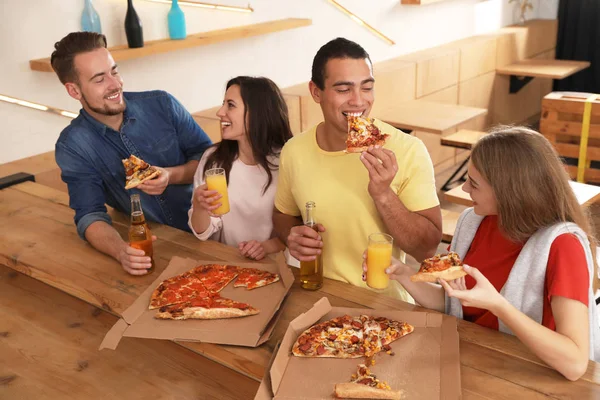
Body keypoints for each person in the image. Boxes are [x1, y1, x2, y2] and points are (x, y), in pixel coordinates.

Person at [363, 126, 600, 380]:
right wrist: (403, 273)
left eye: (473, 184)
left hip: (531, 375)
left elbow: (575, 364)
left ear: (510, 193)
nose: (464, 190)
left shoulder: (563, 245)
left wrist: (498, 305)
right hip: (473, 360)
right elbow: (452, 302)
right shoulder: (474, 221)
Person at [272, 37, 442, 301]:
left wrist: (384, 194)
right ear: (316, 92)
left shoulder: (408, 149)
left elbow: (427, 249)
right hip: (315, 294)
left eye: (367, 87)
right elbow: (283, 215)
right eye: (343, 89)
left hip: (385, 304)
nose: (358, 101)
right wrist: (290, 235)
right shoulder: (294, 150)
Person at [51, 32, 212, 275]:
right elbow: (90, 215)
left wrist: (171, 175)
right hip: (159, 246)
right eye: (99, 79)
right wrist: (120, 250)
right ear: (74, 91)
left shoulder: (162, 104)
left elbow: (210, 160)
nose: (115, 84)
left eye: (114, 71)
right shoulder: (73, 145)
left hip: (214, 229)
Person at [188, 76, 291, 260]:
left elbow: (301, 225)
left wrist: (266, 247)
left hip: (280, 267)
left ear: (257, 113)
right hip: (228, 264)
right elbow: (202, 233)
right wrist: (199, 206)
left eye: (230, 105)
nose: (220, 112)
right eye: (223, 104)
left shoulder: (287, 160)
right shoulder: (213, 160)